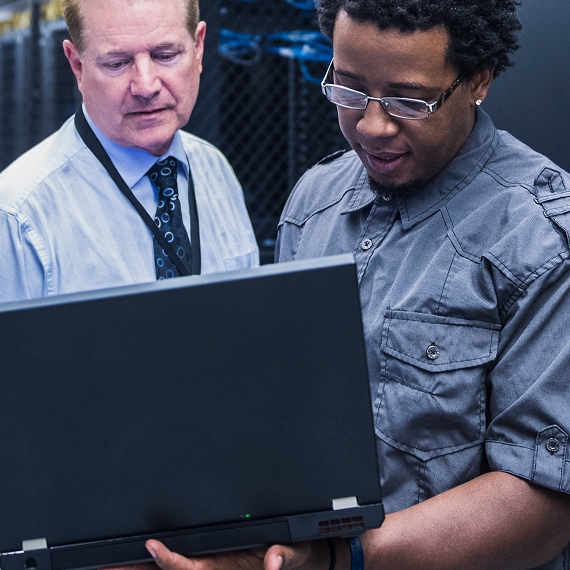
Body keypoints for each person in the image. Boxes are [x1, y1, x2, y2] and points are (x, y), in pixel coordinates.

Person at [139, 0, 570, 569]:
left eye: (407, 100)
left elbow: (543, 501)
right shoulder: (315, 203)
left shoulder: (538, 237)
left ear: (479, 81)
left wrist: (335, 557)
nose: (371, 125)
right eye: (348, 89)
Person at [0, 0, 258, 303]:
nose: (146, 86)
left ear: (199, 48)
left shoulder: (215, 170)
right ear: (77, 66)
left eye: (165, 55)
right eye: (117, 63)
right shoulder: (19, 217)